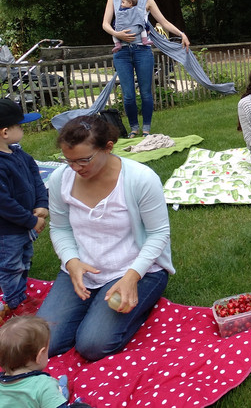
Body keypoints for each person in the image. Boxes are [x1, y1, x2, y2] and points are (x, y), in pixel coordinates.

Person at [36, 116, 174, 361]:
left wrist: (132, 277)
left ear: (108, 148)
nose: (76, 168)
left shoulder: (140, 179)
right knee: (44, 342)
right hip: (82, 269)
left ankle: (134, 305)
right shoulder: (60, 179)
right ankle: (95, 308)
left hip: (136, 269)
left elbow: (158, 233)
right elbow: (60, 229)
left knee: (92, 345)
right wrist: (71, 262)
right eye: (68, 161)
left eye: (84, 160)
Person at [102, 0, 190, 138]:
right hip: (122, 53)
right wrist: (116, 34)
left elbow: (163, 21)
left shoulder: (146, 0)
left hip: (142, 52)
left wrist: (181, 34)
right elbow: (105, 24)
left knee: (146, 93)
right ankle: (134, 128)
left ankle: (146, 129)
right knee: (128, 95)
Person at [0, 99, 49, 325]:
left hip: (25, 226)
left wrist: (42, 204)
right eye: (21, 126)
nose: (23, 129)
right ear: (6, 132)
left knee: (25, 259)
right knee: (11, 266)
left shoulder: (19, 154)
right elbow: (4, 203)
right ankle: (13, 302)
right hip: (8, 231)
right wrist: (30, 220)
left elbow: (36, 178)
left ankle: (18, 296)